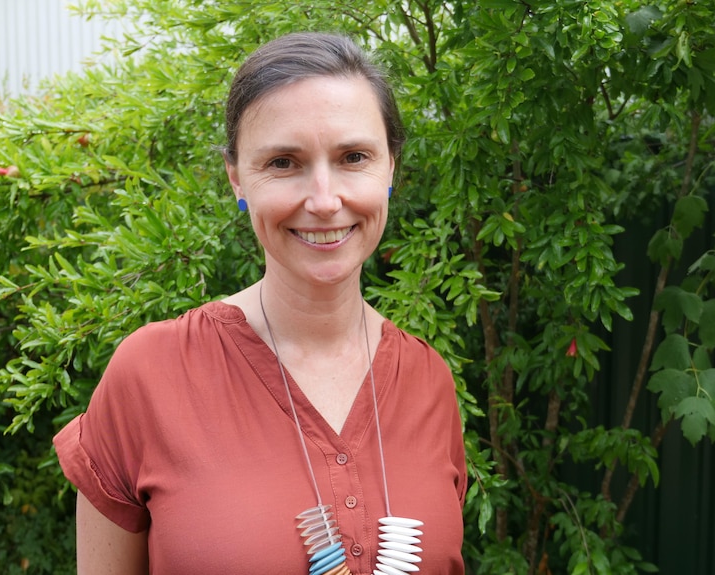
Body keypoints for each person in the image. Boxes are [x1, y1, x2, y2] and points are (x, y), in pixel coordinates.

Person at [53, 32, 467, 574]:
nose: (323, 200)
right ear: (236, 178)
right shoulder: (150, 376)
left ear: (391, 167)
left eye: (353, 156)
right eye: (283, 163)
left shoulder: (427, 381)